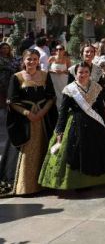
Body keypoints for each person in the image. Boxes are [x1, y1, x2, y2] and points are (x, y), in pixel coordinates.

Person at [39, 62, 105, 190]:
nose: (83, 75)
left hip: (96, 125)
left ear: (89, 74)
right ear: (75, 74)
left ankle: (99, 180)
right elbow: (63, 112)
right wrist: (59, 132)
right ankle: (78, 182)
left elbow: (100, 107)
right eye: (80, 72)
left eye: (86, 72)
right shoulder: (69, 89)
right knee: (76, 152)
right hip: (76, 124)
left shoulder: (96, 87)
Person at [0, 50, 57, 196]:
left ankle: (45, 183)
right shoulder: (17, 77)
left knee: (45, 148)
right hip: (24, 120)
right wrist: (28, 114)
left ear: (38, 61)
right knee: (25, 151)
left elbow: (51, 97)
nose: (31, 62)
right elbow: (11, 101)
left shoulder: (45, 75)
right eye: (29, 59)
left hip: (43, 119)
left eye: (35, 59)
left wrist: (42, 112)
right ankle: (25, 186)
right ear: (24, 61)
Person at [0, 42, 17, 110]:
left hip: (11, 78)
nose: (5, 50)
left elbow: (16, 65)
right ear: (0, 49)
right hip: (2, 79)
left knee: (10, 94)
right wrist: (8, 68)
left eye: (7, 48)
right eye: (3, 48)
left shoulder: (12, 57)